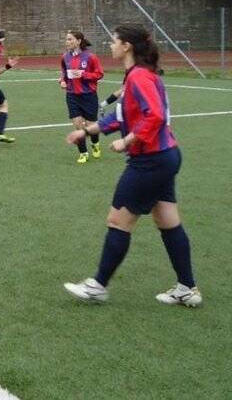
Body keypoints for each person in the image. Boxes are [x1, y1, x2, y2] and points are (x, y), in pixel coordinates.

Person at [63, 25, 201, 307]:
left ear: (126, 46)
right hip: (165, 156)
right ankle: (187, 287)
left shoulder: (139, 76)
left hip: (150, 161)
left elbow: (155, 116)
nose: (110, 45)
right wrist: (89, 131)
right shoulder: (137, 75)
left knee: (118, 221)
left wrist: (127, 141)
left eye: (113, 41)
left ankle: (98, 285)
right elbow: (122, 114)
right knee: (167, 219)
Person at [60, 30, 104, 164]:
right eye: (66, 39)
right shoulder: (64, 57)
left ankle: (95, 143)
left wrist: (83, 75)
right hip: (72, 95)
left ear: (79, 41)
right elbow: (64, 73)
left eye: (70, 39)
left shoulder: (91, 57)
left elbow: (99, 74)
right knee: (78, 125)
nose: (67, 42)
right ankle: (83, 153)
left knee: (92, 126)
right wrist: (62, 81)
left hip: (89, 96)